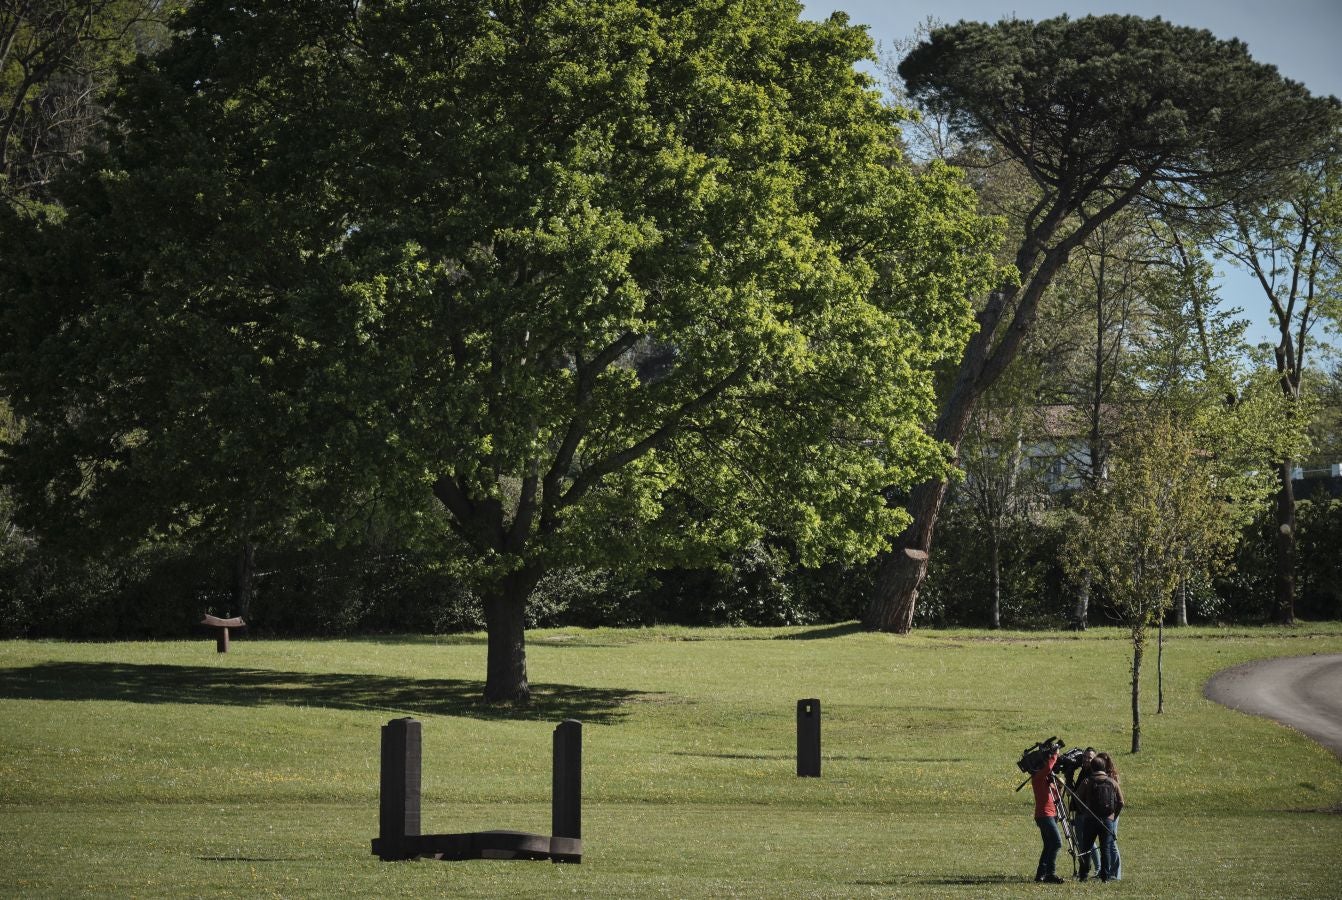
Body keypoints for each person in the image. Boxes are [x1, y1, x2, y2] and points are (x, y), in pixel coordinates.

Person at [1074, 756, 1123, 881]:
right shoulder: (1112, 782)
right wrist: (1113, 816)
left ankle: (1083, 875)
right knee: (1105, 848)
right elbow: (1121, 802)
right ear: (1104, 767)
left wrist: (1084, 811)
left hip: (1090, 819)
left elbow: (1077, 797)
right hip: (1107, 820)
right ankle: (1105, 877)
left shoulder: (1087, 781)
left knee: (1087, 848)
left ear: (1092, 767)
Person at [1029, 747, 1066, 883]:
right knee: (1056, 843)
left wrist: (1059, 787)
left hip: (1049, 814)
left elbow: (1056, 798)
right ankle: (1050, 873)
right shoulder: (1038, 777)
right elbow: (1047, 769)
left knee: (1049, 845)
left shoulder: (1047, 780)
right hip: (1044, 815)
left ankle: (1041, 874)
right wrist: (1055, 755)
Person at [1067, 748, 1099, 876]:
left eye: (1089, 758)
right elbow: (1073, 792)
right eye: (1084, 757)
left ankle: (1097, 868)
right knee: (1082, 842)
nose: (1086, 760)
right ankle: (1087, 868)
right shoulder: (1083, 771)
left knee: (1088, 842)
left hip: (1086, 812)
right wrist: (1069, 776)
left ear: (1095, 759)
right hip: (1079, 810)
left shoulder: (1093, 773)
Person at [1096, 752, 1124, 880]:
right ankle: (1107, 871)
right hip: (1104, 812)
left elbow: (1119, 800)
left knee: (1111, 842)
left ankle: (1116, 873)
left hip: (1112, 813)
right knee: (1106, 842)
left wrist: (1114, 817)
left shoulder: (1111, 777)